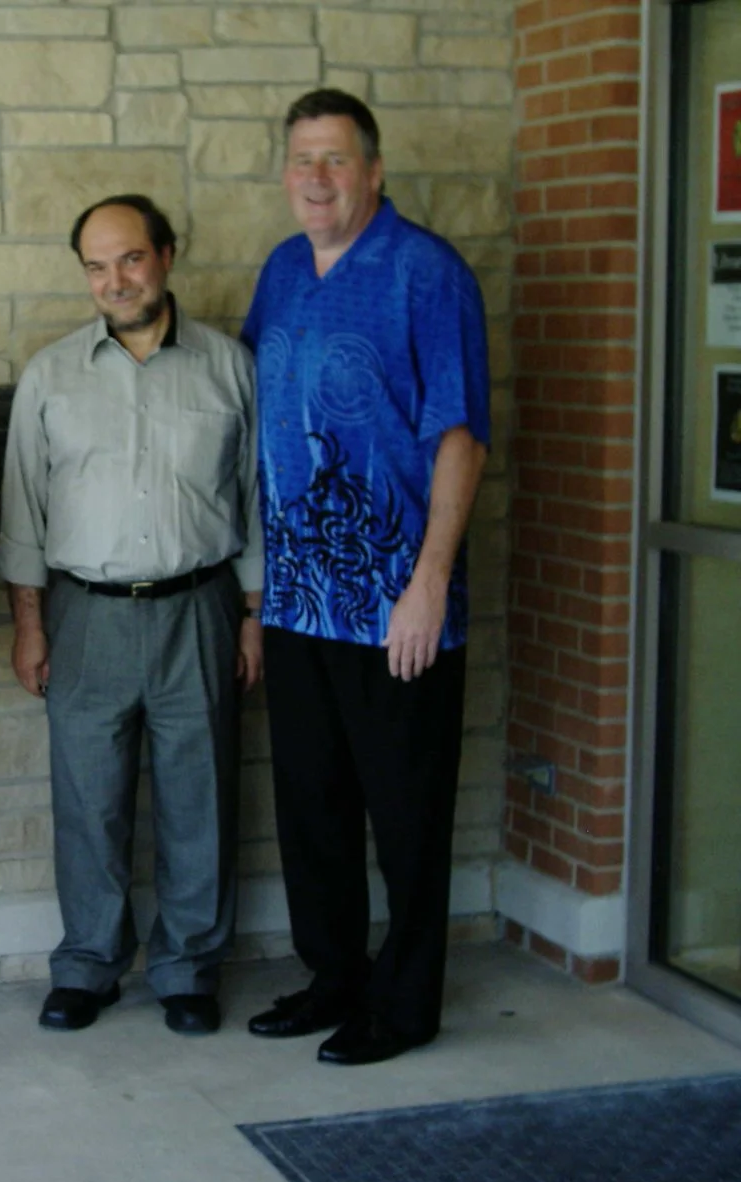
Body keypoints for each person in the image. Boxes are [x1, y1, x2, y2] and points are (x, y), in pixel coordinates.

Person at [241, 89, 490, 1065]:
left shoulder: (425, 273)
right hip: (301, 602)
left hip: (396, 605)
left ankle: (404, 1002)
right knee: (311, 808)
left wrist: (430, 580)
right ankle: (331, 976)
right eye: (302, 159)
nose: (316, 178)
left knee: (406, 815)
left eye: (335, 160)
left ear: (373, 172)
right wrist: (259, 599)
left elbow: (459, 436)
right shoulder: (280, 272)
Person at [0, 196, 264, 1036]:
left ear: (167, 257)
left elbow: (258, 495)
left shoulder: (229, 367)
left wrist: (253, 618)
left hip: (201, 609)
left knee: (201, 798)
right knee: (89, 802)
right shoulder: (51, 374)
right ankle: (89, 965)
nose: (114, 280)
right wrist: (29, 622)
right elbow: (24, 509)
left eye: (131, 259)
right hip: (86, 616)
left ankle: (188, 968)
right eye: (96, 266)